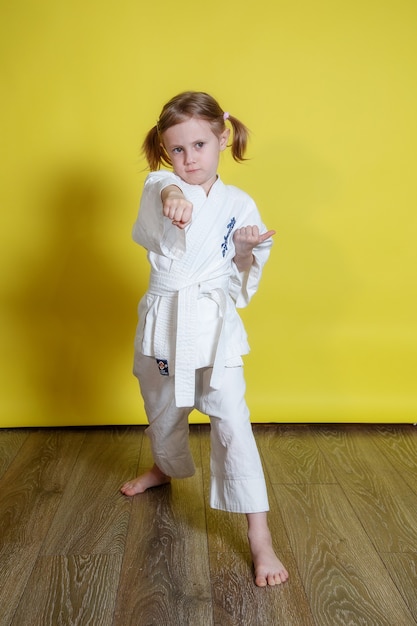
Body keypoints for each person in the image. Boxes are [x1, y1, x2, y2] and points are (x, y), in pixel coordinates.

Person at [121, 91, 289, 587]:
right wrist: (172, 195)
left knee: (233, 420)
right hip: (166, 323)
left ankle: (260, 537)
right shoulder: (162, 184)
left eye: (199, 144)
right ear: (164, 153)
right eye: (177, 149)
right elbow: (159, 194)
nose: (189, 158)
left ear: (222, 137)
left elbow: (239, 284)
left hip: (214, 328)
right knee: (163, 409)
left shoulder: (239, 203)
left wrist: (242, 250)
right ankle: (164, 467)